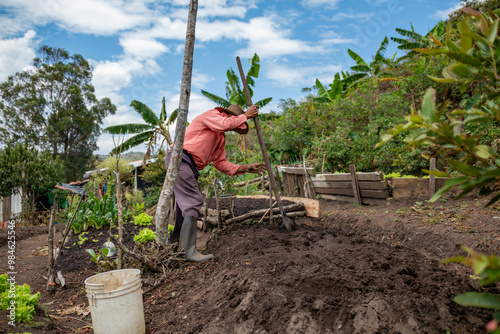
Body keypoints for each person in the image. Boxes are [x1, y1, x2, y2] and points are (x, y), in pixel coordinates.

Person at [165, 104, 266, 262]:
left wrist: (244, 168)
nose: (233, 128)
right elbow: (224, 124)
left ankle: (176, 243)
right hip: (180, 158)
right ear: (228, 114)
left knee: (182, 206)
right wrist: (246, 115)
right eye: (236, 123)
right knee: (193, 202)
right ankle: (189, 251)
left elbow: (220, 163)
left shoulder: (220, 138)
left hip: (189, 164)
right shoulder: (212, 115)